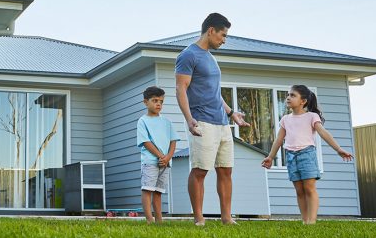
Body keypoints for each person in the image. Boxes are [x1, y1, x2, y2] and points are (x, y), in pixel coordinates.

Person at [175, 13, 249, 225]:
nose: (224, 40)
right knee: (200, 170)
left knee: (225, 170)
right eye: (223, 35)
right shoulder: (188, 55)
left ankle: (226, 217)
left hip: (222, 122)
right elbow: (181, 89)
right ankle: (199, 218)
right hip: (202, 121)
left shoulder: (210, 57)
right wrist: (189, 120)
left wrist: (231, 112)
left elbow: (214, 93)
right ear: (211, 31)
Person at [261, 85, 354, 224]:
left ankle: (312, 220)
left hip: (306, 154)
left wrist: (338, 149)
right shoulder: (285, 119)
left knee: (309, 188)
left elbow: (323, 133)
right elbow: (278, 140)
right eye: (288, 95)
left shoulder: (311, 116)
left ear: (303, 101)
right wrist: (270, 157)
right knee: (299, 190)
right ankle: (305, 220)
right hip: (291, 156)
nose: (288, 97)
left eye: (293, 95)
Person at [136, 86, 180, 224]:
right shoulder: (143, 121)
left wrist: (168, 158)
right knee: (148, 189)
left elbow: (173, 141)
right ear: (145, 102)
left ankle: (159, 220)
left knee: (158, 192)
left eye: (161, 101)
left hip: (166, 163)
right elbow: (146, 142)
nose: (158, 104)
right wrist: (161, 156)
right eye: (155, 100)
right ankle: (149, 219)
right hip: (150, 162)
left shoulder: (167, 122)